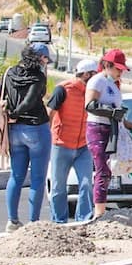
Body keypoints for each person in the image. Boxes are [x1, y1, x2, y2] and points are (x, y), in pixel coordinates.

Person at [0, 43, 53, 233]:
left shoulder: (9, 72)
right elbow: (30, 100)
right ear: (40, 58)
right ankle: (33, 223)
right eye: (46, 59)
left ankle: (12, 220)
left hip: (13, 132)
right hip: (36, 128)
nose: (46, 63)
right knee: (37, 178)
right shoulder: (38, 77)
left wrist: (11, 115)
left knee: (16, 176)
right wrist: (17, 112)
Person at [47, 58, 99, 223]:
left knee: (86, 183)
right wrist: (46, 137)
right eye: (94, 74)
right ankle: (59, 221)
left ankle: (83, 220)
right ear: (86, 74)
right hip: (61, 145)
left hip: (84, 145)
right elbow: (50, 113)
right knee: (58, 187)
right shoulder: (63, 89)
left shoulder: (94, 92)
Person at [85, 49, 132, 219]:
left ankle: (102, 207)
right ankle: (99, 211)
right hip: (98, 128)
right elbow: (90, 105)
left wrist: (124, 120)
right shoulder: (97, 81)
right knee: (103, 169)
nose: (120, 72)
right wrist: (112, 113)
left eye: (122, 69)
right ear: (107, 65)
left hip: (111, 127)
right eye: (118, 69)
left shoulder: (113, 84)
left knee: (109, 169)